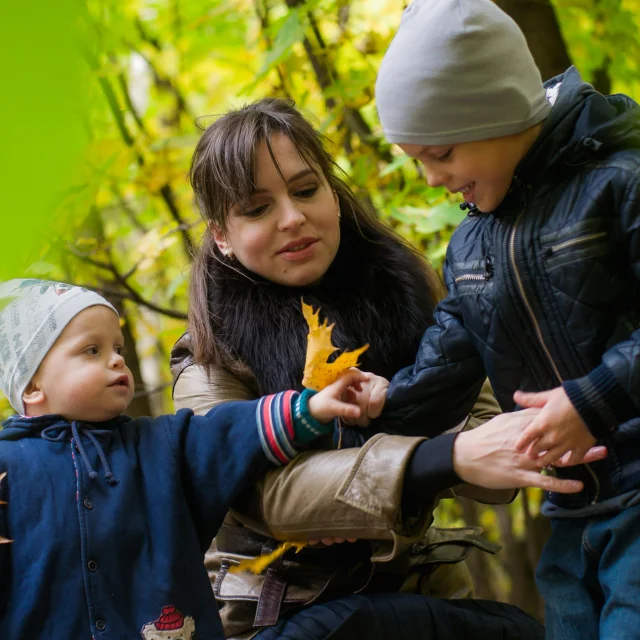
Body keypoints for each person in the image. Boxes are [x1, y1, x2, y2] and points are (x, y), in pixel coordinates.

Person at [171, 97, 604, 639]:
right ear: (222, 236)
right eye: (257, 209)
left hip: (421, 592)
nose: (292, 218)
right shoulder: (207, 355)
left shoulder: (407, 294)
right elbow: (269, 495)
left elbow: (486, 427)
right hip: (280, 615)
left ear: (333, 192)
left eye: (307, 190)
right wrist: (446, 458)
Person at [374, 0, 640, 638]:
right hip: (571, 509)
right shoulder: (470, 247)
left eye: (439, 153)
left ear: (494, 112)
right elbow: (449, 359)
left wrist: (592, 398)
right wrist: (384, 402)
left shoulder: (618, 180)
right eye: (415, 159)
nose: (431, 177)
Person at [0, 278, 369, 639]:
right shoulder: (6, 466)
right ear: (32, 385)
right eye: (91, 350)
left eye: (118, 349)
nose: (115, 361)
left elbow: (229, 433)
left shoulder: (161, 446)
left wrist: (312, 407)